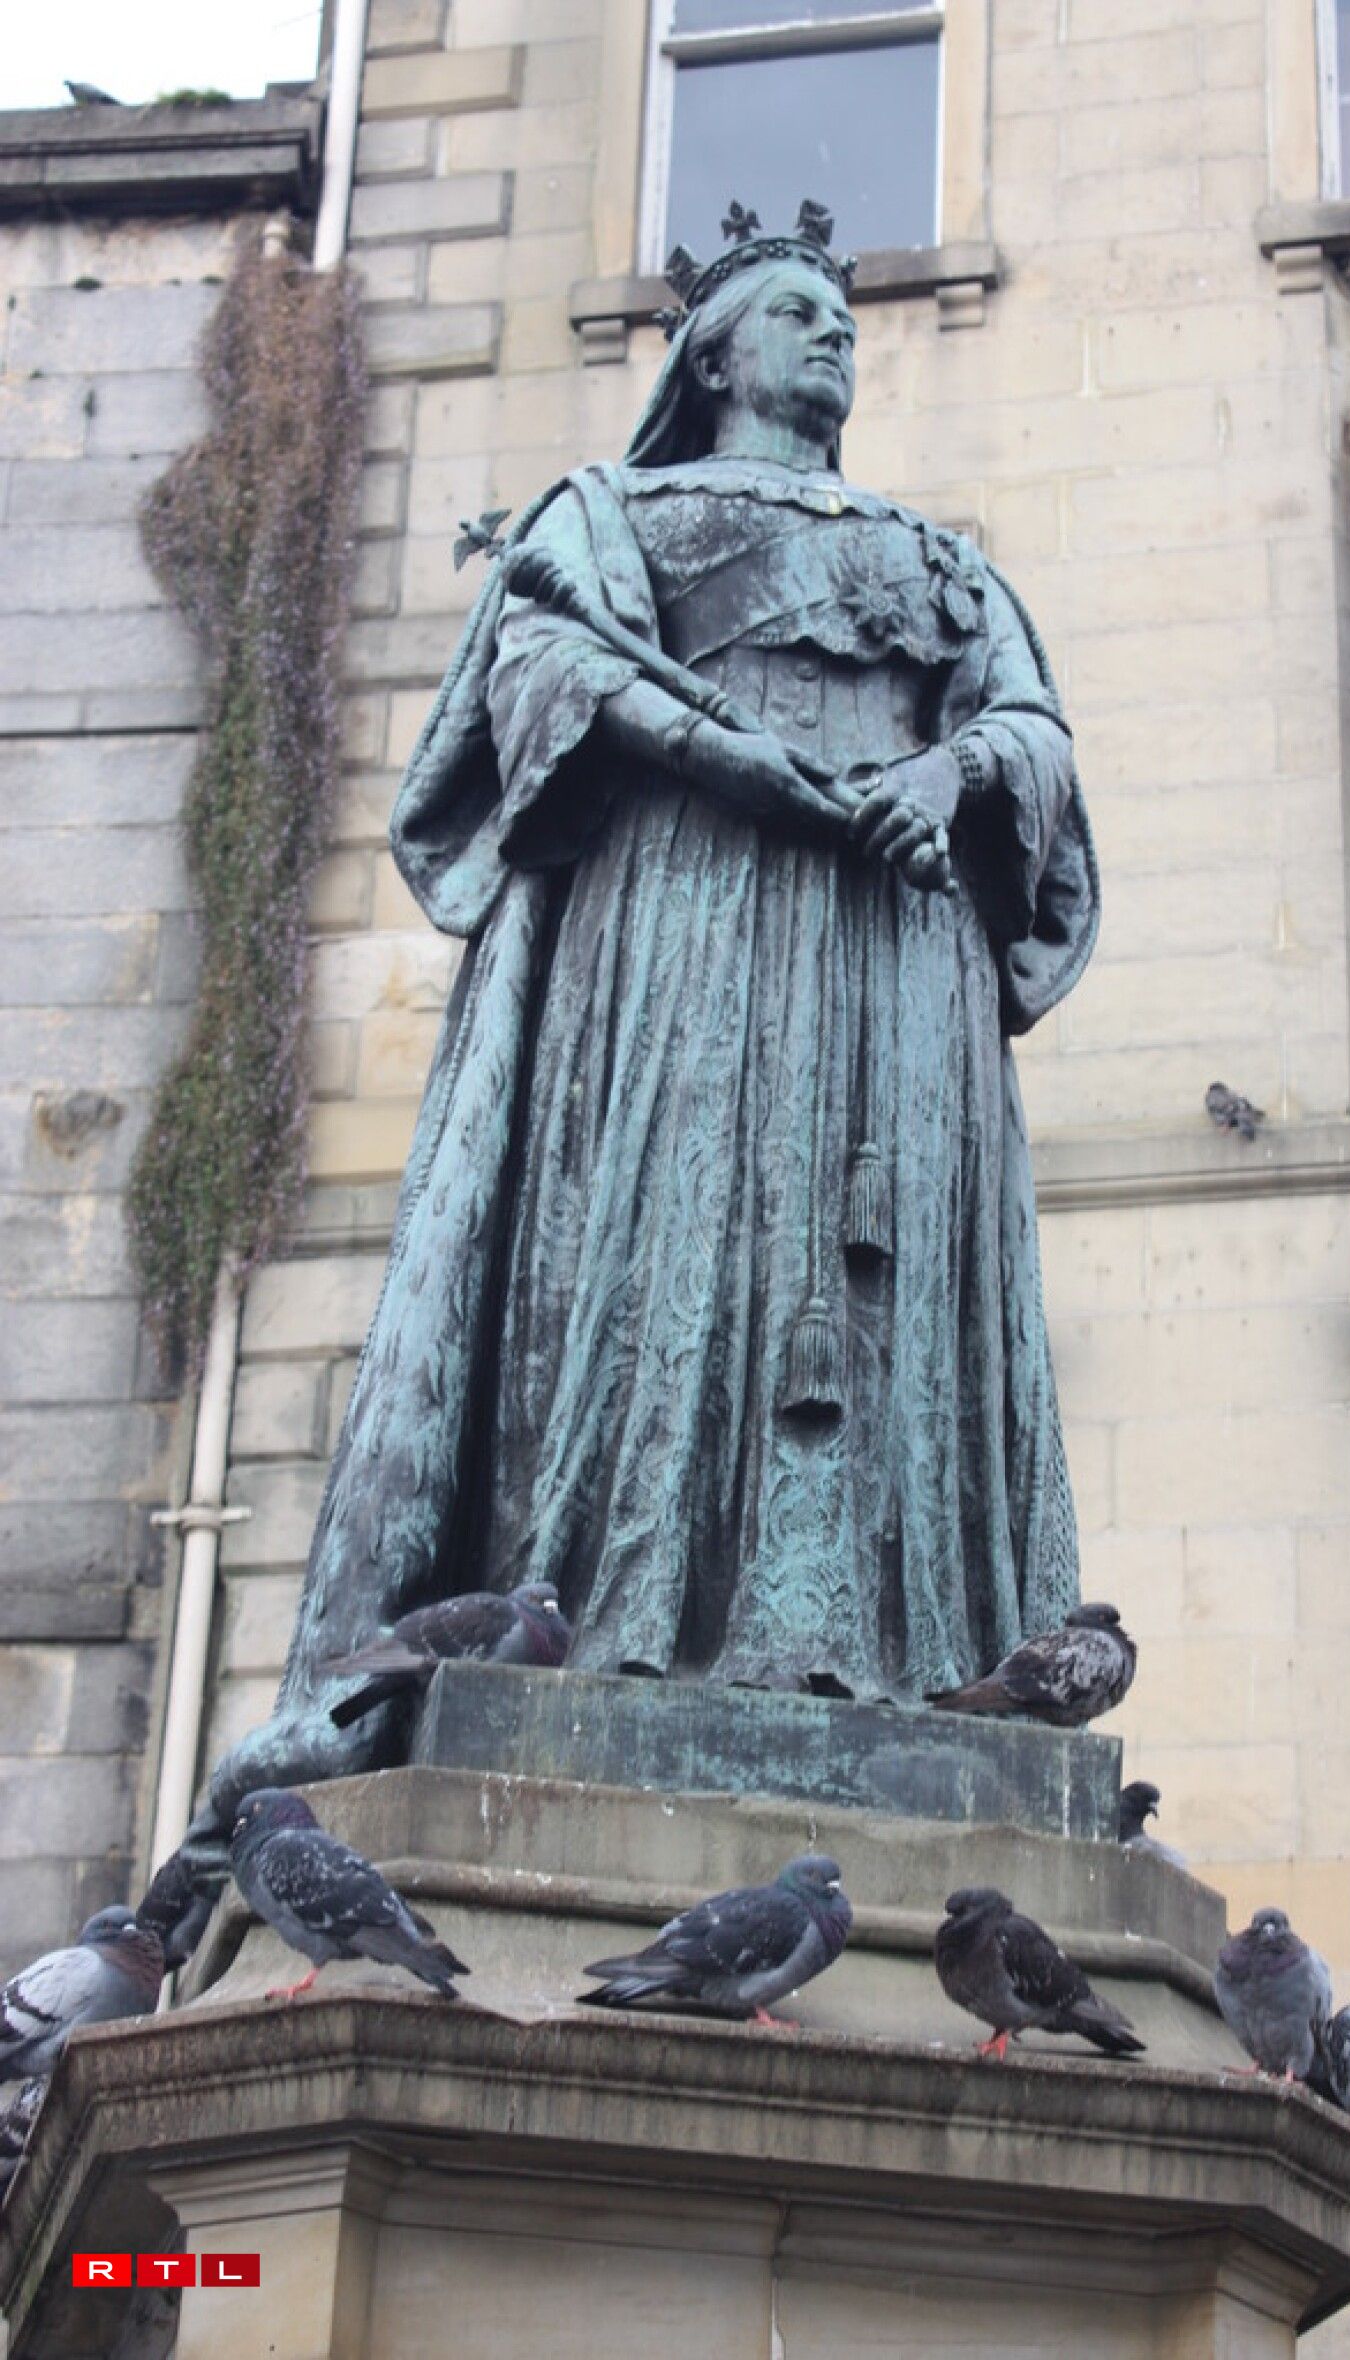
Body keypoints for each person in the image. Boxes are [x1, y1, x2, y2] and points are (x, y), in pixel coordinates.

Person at [203, 202, 1099, 1823]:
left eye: (845, 314)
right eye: (793, 310)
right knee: (673, 1253)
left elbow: (1033, 735)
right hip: (677, 942)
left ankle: (895, 1652)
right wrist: (730, 761)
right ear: (712, 353)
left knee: (873, 1286)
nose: (834, 332)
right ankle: (619, 1621)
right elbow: (529, 688)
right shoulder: (607, 517)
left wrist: (946, 768)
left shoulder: (943, 562)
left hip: (896, 967)